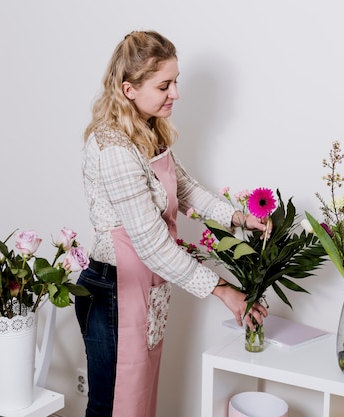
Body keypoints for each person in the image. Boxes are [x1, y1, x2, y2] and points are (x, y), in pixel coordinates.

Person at [75, 30, 268, 417]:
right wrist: (225, 291)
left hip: (143, 288)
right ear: (129, 89)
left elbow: (184, 188)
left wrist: (239, 217)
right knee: (111, 406)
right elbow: (151, 244)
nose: (176, 93)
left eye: (175, 81)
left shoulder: (146, 130)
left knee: (138, 399)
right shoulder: (114, 148)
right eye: (164, 85)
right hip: (113, 290)